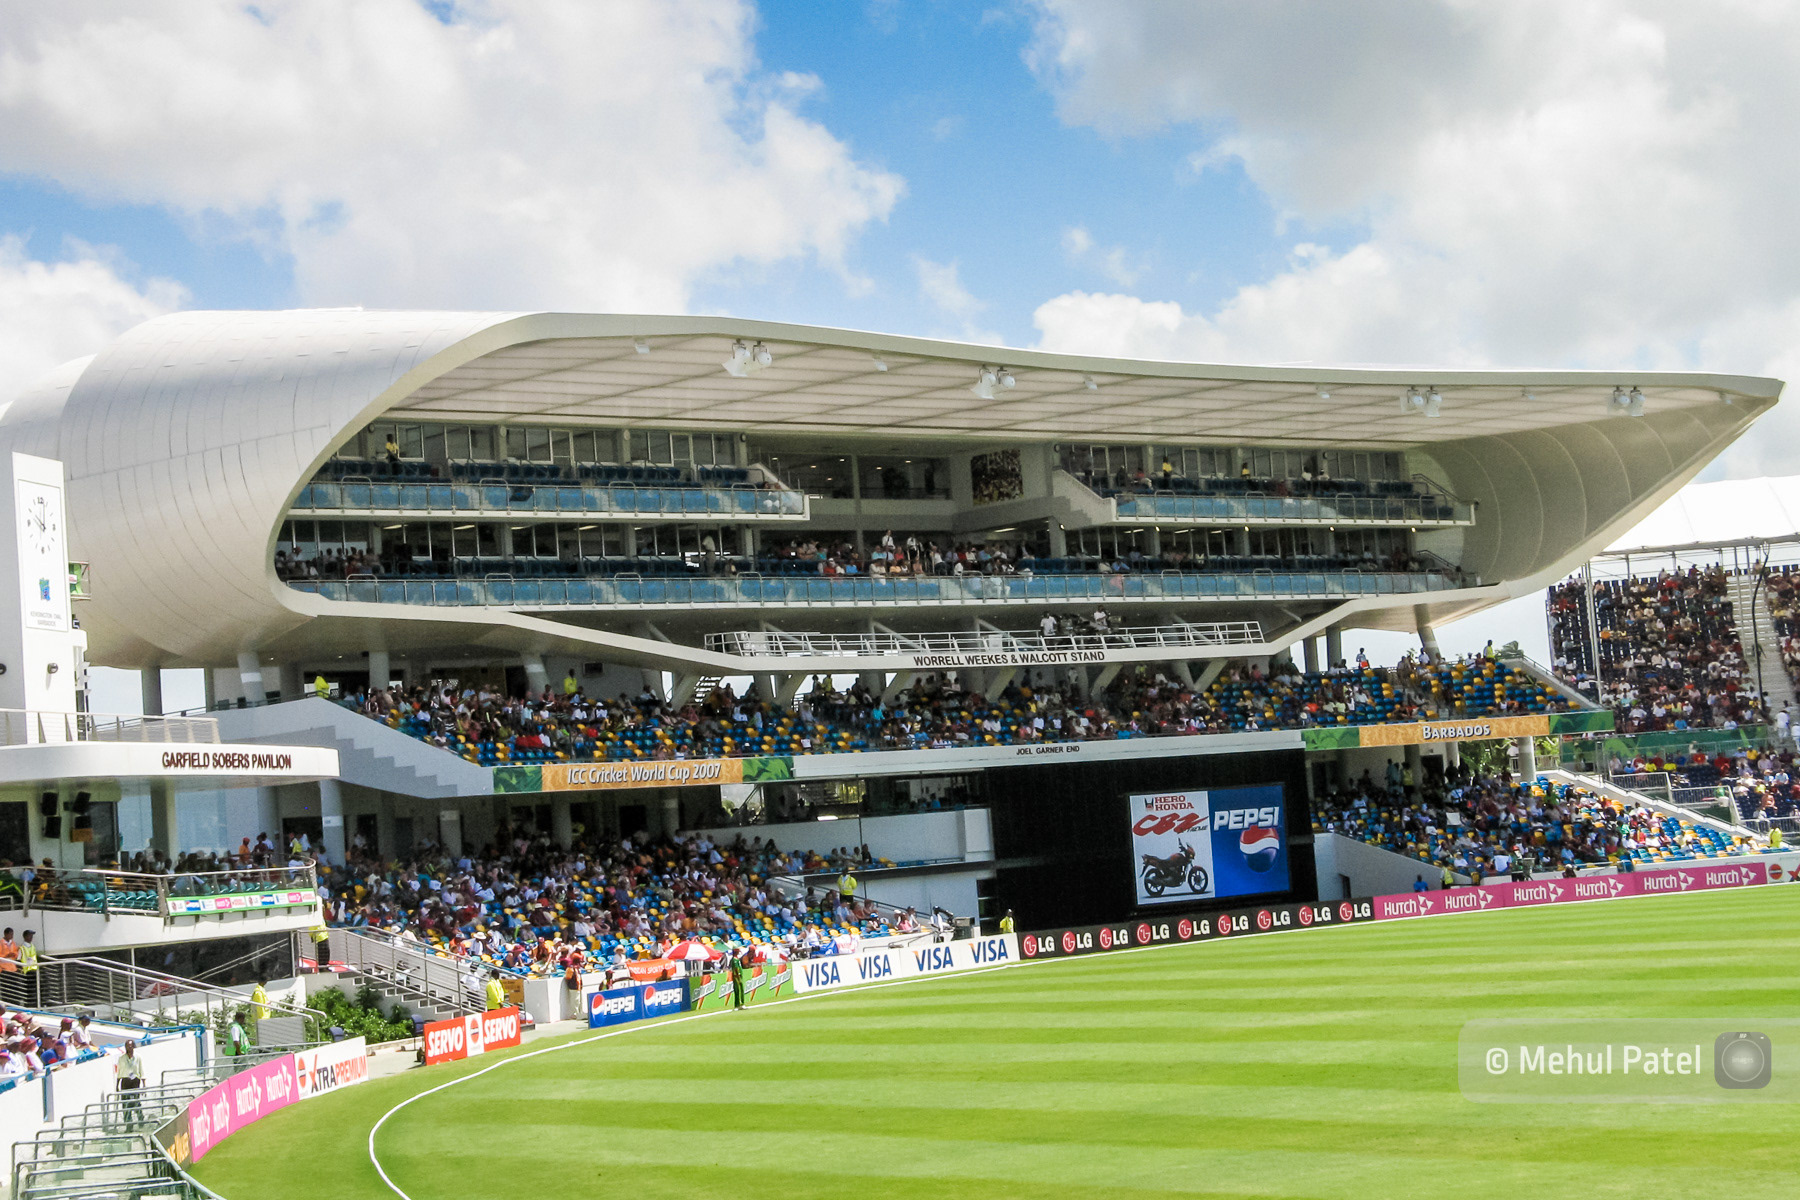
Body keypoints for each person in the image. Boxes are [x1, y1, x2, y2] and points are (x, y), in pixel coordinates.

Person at [116, 1039, 144, 1123]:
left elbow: (141, 1070)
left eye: (131, 1046)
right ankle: (128, 1124)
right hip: (125, 1081)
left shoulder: (138, 1057)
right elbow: (119, 1072)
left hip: (135, 1081)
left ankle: (140, 1120)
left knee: (135, 1102)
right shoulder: (121, 1058)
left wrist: (144, 1084)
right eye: (128, 1046)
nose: (129, 1047)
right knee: (125, 1104)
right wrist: (117, 1085)